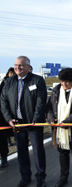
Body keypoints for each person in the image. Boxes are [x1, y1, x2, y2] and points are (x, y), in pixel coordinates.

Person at [0, 56, 47, 187]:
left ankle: (40, 177)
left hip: (33, 123)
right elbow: (3, 101)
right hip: (17, 124)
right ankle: (25, 176)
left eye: (21, 65)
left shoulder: (37, 80)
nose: (17, 67)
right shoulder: (9, 82)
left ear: (28, 67)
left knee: (38, 151)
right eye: (16, 65)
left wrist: (36, 119)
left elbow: (41, 101)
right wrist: (9, 118)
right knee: (21, 151)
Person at [46, 68, 72, 187]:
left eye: (67, 82)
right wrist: (50, 119)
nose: (64, 84)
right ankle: (63, 177)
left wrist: (66, 121)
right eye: (62, 81)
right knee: (62, 154)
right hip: (59, 130)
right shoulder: (56, 90)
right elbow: (49, 108)